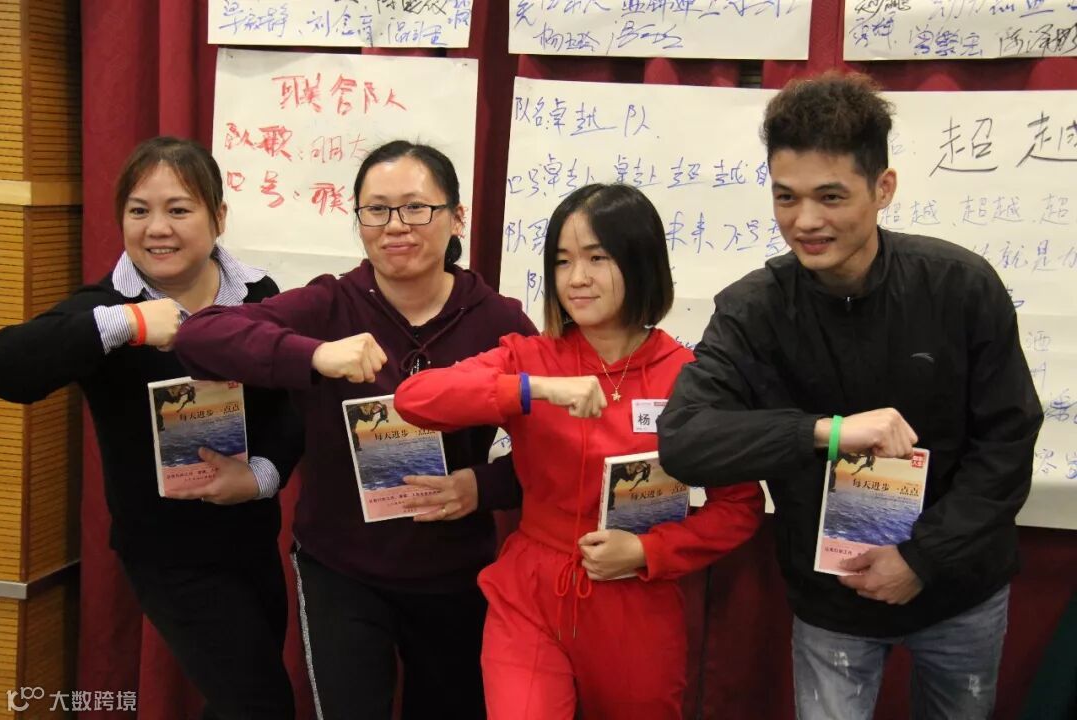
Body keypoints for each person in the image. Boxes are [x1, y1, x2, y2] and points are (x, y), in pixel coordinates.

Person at [658, 72, 1044, 720]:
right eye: (786, 196)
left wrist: (921, 559)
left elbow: (1007, 445)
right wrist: (826, 432)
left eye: (830, 196)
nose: (805, 221)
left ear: (882, 188)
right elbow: (684, 440)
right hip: (831, 600)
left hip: (959, 588)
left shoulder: (960, 286)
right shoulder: (753, 310)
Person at [174, 140, 536, 720]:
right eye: (377, 209)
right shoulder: (330, 304)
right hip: (340, 568)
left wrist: (482, 487)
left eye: (416, 207)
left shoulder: (498, 321)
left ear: (456, 217)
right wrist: (315, 355)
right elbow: (201, 336)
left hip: (455, 573)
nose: (396, 226)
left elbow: (553, 450)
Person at [394, 183, 763, 719]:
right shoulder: (529, 357)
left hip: (636, 595)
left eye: (597, 258)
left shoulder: (689, 377)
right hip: (530, 592)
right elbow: (416, 399)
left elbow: (739, 505)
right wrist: (534, 389)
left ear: (639, 262)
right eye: (562, 261)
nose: (576, 278)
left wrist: (649, 552)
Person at [0, 136, 302, 718]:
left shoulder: (259, 297)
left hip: (251, 539)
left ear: (218, 217)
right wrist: (128, 323)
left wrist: (261, 476)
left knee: (240, 698)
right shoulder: (105, 307)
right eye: (139, 211)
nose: (157, 228)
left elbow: (289, 409)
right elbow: (9, 368)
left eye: (178, 209)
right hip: (167, 556)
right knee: (259, 705)